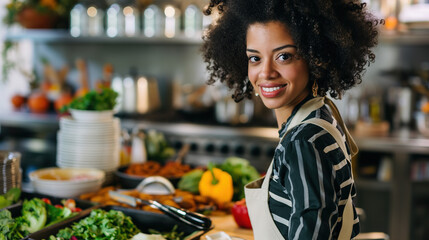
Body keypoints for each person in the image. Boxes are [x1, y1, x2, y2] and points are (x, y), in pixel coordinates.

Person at [201, 0, 380, 239]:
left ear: (316, 57)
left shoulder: (302, 143)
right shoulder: (323, 114)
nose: (266, 73)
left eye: (284, 56)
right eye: (255, 58)